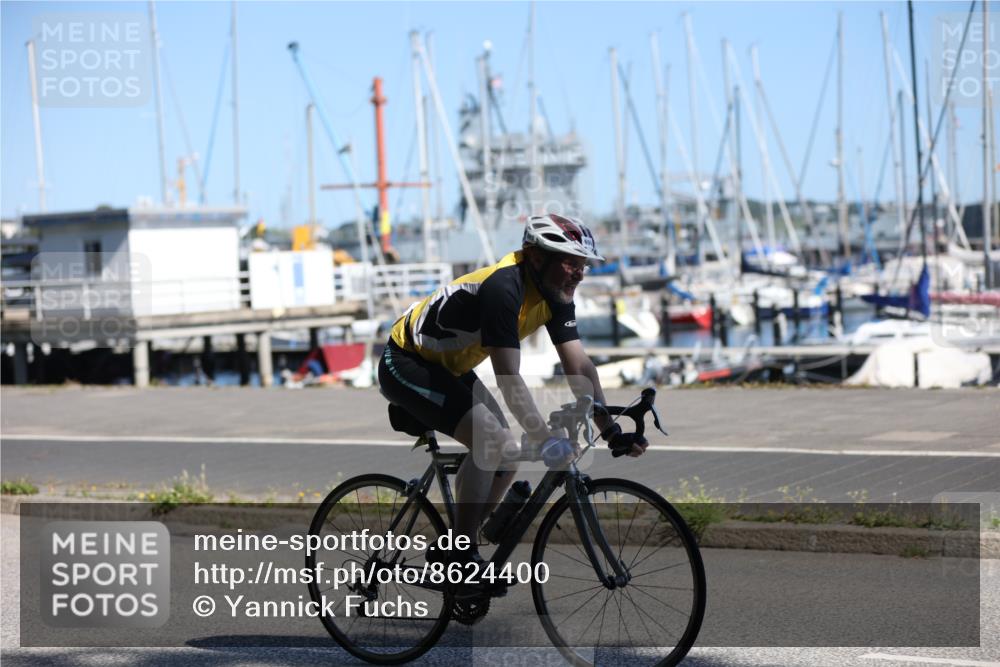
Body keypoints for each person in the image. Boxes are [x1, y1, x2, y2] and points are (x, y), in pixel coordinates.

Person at [377, 213, 649, 563]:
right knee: (491, 441)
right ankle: (461, 554)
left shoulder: (555, 292)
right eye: (570, 263)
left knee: (507, 454)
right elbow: (508, 376)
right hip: (405, 361)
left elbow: (578, 365)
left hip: (451, 368)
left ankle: (458, 543)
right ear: (536, 256)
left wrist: (610, 431)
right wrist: (545, 440)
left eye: (583, 265)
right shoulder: (503, 288)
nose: (579, 273)